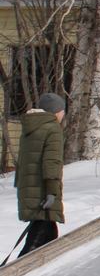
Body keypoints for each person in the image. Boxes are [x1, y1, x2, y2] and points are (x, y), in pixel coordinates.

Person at [14, 92, 66, 257]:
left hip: (29, 190)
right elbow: (51, 162)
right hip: (43, 192)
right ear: (56, 111)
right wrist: (51, 191)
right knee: (36, 242)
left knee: (50, 238)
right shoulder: (52, 128)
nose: (63, 114)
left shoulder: (31, 127)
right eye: (62, 110)